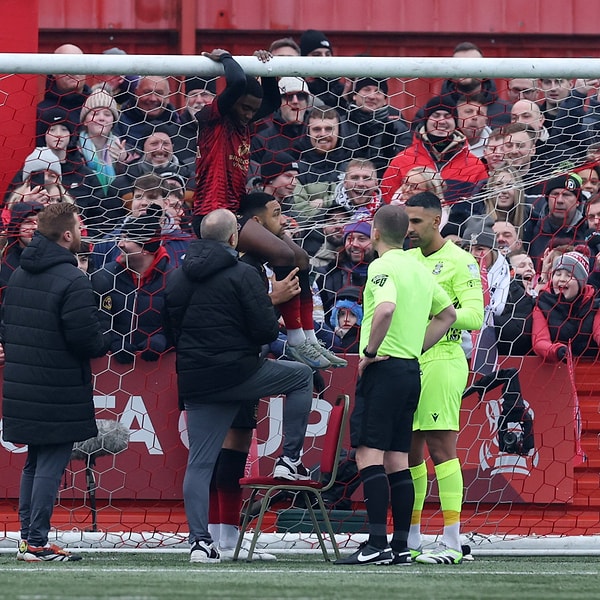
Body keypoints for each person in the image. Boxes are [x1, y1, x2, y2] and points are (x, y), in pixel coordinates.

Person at [164, 209, 315, 563]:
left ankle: (200, 544)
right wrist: (272, 301)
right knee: (300, 376)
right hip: (240, 375)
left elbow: (170, 331)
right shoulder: (243, 274)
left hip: (197, 381)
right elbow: (265, 331)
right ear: (234, 238)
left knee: (199, 465)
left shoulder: (176, 277)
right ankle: (290, 459)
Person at [193, 49, 335, 369]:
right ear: (232, 102)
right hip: (212, 214)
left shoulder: (244, 123)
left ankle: (310, 337)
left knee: (299, 257)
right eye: (244, 107)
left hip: (235, 211)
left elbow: (270, 102)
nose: (248, 114)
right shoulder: (213, 119)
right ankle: (296, 341)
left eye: (252, 110)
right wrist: (229, 58)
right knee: (283, 257)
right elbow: (238, 81)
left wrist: (268, 68)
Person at [335, 204, 456, 566]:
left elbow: (385, 309)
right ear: (405, 234)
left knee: (367, 455)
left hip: (384, 368)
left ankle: (375, 544)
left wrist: (370, 352)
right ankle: (401, 546)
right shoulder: (418, 269)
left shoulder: (382, 266)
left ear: (374, 232)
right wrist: (416, 345)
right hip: (410, 369)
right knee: (398, 460)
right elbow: (449, 314)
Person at [1, 203, 110, 562]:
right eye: (79, 228)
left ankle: (27, 539)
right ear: (67, 235)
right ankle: (36, 542)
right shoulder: (72, 278)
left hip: (23, 384)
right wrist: (106, 335)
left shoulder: (18, 274)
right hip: (58, 386)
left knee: (35, 462)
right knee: (50, 464)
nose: (82, 234)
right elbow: (85, 341)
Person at [403, 192, 484, 564]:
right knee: (409, 451)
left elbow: (474, 316)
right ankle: (413, 537)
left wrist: (437, 310)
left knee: (440, 449)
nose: (409, 228)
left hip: (443, 360)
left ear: (437, 221)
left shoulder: (461, 262)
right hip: (407, 361)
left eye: (416, 221)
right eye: (406, 220)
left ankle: (452, 539)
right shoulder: (404, 260)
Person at [91, 205, 173, 364]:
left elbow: (181, 324)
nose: (120, 244)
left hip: (157, 373)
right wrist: (113, 341)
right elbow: (95, 318)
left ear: (145, 249)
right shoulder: (105, 276)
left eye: (127, 238)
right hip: (110, 372)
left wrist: (163, 339)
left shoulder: (172, 280)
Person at [381, 96, 487, 210]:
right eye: (436, 116)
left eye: (447, 116)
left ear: (455, 122)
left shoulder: (474, 165)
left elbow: (479, 208)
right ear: (426, 120)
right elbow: (387, 202)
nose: (441, 121)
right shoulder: (402, 160)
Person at [533, 247, 600, 361]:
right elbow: (539, 341)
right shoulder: (542, 304)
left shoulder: (594, 305)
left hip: (591, 370)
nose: (562, 279)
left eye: (569, 275)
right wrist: (557, 350)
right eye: (558, 274)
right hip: (557, 369)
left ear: (581, 282)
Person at [347, 77, 412, 177]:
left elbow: (406, 164)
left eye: (378, 92)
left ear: (385, 100)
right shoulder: (340, 125)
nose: (372, 96)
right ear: (355, 95)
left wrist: (390, 154)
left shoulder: (398, 129)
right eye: (366, 89)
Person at [524, 173, 589, 267]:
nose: (559, 200)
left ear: (578, 202)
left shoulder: (587, 232)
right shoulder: (530, 228)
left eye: (566, 195)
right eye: (555, 194)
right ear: (547, 199)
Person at [116, 76, 180, 154]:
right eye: (147, 92)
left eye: (158, 93)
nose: (152, 99)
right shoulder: (118, 122)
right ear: (136, 93)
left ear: (168, 96)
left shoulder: (178, 124)